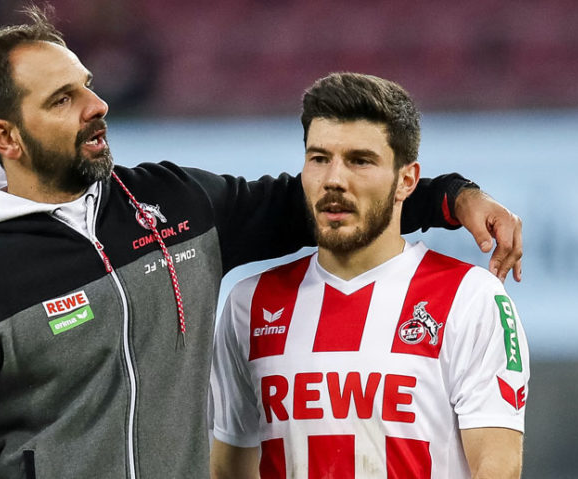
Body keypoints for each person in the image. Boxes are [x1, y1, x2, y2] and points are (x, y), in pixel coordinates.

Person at [0, 7, 524, 479]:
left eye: (88, 84)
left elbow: (328, 201)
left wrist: (451, 197)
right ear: (6, 137)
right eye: (64, 99)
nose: (96, 104)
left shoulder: (175, 202)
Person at [210, 73, 529, 478]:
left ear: (407, 181)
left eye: (360, 161)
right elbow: (230, 467)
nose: (334, 180)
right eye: (319, 158)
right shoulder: (248, 304)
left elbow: (497, 467)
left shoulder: (470, 298)